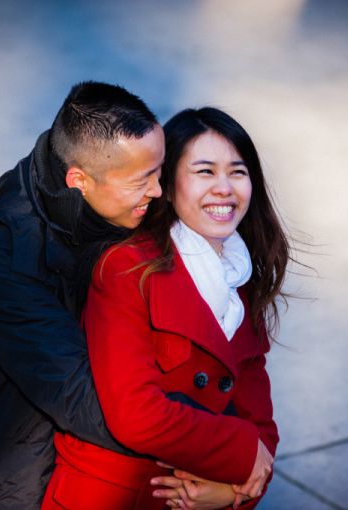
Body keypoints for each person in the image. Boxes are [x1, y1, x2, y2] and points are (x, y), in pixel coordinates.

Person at [42, 107, 291, 510]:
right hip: (112, 497)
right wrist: (242, 454)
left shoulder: (241, 281)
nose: (224, 188)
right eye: (205, 172)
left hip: (190, 498)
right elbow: (136, 413)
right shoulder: (127, 267)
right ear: (168, 186)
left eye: (238, 172)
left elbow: (261, 425)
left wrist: (232, 495)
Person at [0, 81, 165, 509]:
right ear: (78, 179)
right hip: (17, 488)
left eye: (160, 169)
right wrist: (213, 447)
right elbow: (84, 401)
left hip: (90, 474)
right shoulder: (4, 265)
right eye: (143, 180)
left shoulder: (102, 202)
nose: (158, 190)